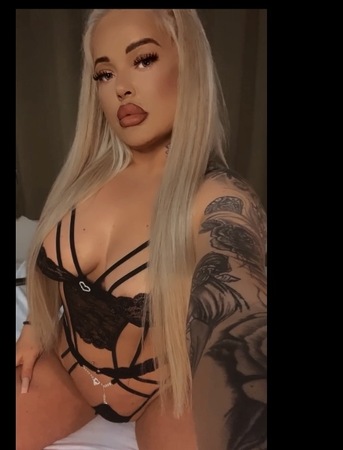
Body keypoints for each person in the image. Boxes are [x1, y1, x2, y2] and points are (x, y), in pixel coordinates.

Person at [16, 8, 267, 450]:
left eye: (144, 59)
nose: (122, 87)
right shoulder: (84, 178)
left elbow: (243, 311)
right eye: (105, 73)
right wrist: (36, 326)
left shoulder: (220, 198)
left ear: (188, 64)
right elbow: (48, 272)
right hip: (66, 369)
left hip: (164, 393)